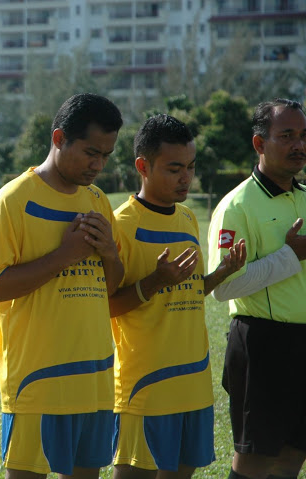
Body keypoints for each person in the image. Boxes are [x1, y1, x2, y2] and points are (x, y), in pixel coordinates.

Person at [0, 93, 124, 479]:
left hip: (94, 380)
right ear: (59, 138)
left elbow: (111, 286)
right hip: (37, 385)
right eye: (91, 152)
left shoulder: (98, 201)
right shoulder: (12, 201)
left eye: (106, 155)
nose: (99, 165)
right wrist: (64, 255)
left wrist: (109, 252)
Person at [109, 114, 246, 479]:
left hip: (194, 381)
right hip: (146, 387)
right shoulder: (121, 225)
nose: (186, 177)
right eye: (174, 169)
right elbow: (105, 304)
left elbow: (187, 291)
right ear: (143, 166)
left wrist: (220, 274)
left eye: (190, 167)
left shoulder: (186, 217)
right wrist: (153, 282)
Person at [208, 98, 306, 479]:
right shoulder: (236, 205)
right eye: (286, 136)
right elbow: (223, 288)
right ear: (259, 144)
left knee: (293, 458)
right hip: (264, 343)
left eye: (303, 135)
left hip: (302, 342)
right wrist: (289, 255)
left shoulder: (303, 197)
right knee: (254, 463)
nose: (298, 145)